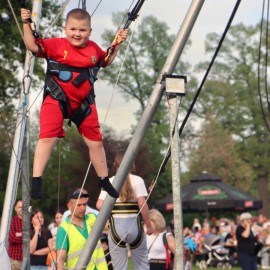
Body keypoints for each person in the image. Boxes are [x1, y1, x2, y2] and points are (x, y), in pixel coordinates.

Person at [20, 8, 128, 200]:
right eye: (73, 29)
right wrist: (26, 24)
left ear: (90, 31)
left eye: (82, 30)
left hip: (84, 103)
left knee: (96, 142)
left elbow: (106, 60)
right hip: (56, 98)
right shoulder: (55, 45)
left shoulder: (93, 49)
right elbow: (32, 45)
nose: (77, 34)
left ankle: (103, 179)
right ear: (65, 29)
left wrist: (117, 43)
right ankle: (37, 178)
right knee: (47, 137)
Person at [96, 150, 153, 270]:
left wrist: (113, 208)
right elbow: (142, 204)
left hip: (116, 229)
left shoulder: (110, 182)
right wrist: (149, 224)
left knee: (119, 268)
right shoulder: (138, 180)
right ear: (132, 164)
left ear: (115, 166)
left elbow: (99, 205)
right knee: (142, 266)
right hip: (135, 227)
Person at [56, 189, 108, 270]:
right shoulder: (63, 229)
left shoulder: (93, 217)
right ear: (69, 206)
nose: (83, 208)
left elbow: (108, 226)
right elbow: (60, 259)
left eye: (84, 204)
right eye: (79, 205)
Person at [8, 199, 23, 270]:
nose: (22, 209)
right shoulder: (12, 221)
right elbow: (12, 239)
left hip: (28, 259)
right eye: (20, 207)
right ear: (15, 209)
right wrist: (25, 237)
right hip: (15, 259)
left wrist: (20, 234)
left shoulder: (30, 221)